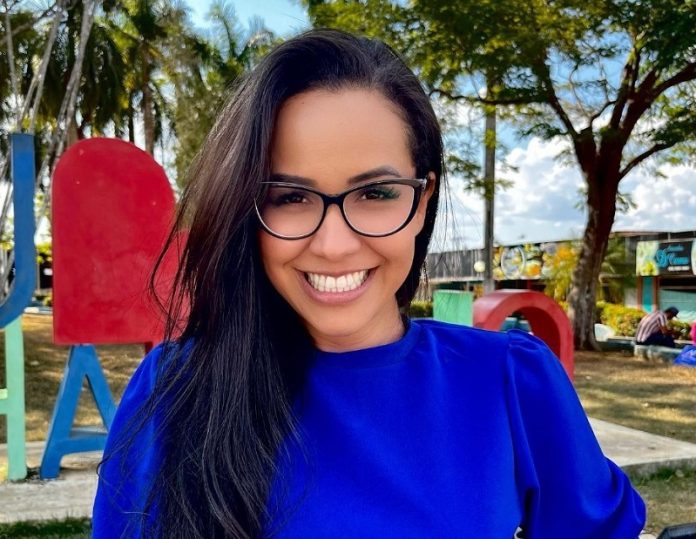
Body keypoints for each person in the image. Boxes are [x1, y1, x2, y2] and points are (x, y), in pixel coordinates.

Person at [92, 29, 646, 538]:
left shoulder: (510, 381)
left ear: (423, 201)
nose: (333, 245)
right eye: (290, 197)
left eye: (376, 194)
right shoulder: (174, 391)